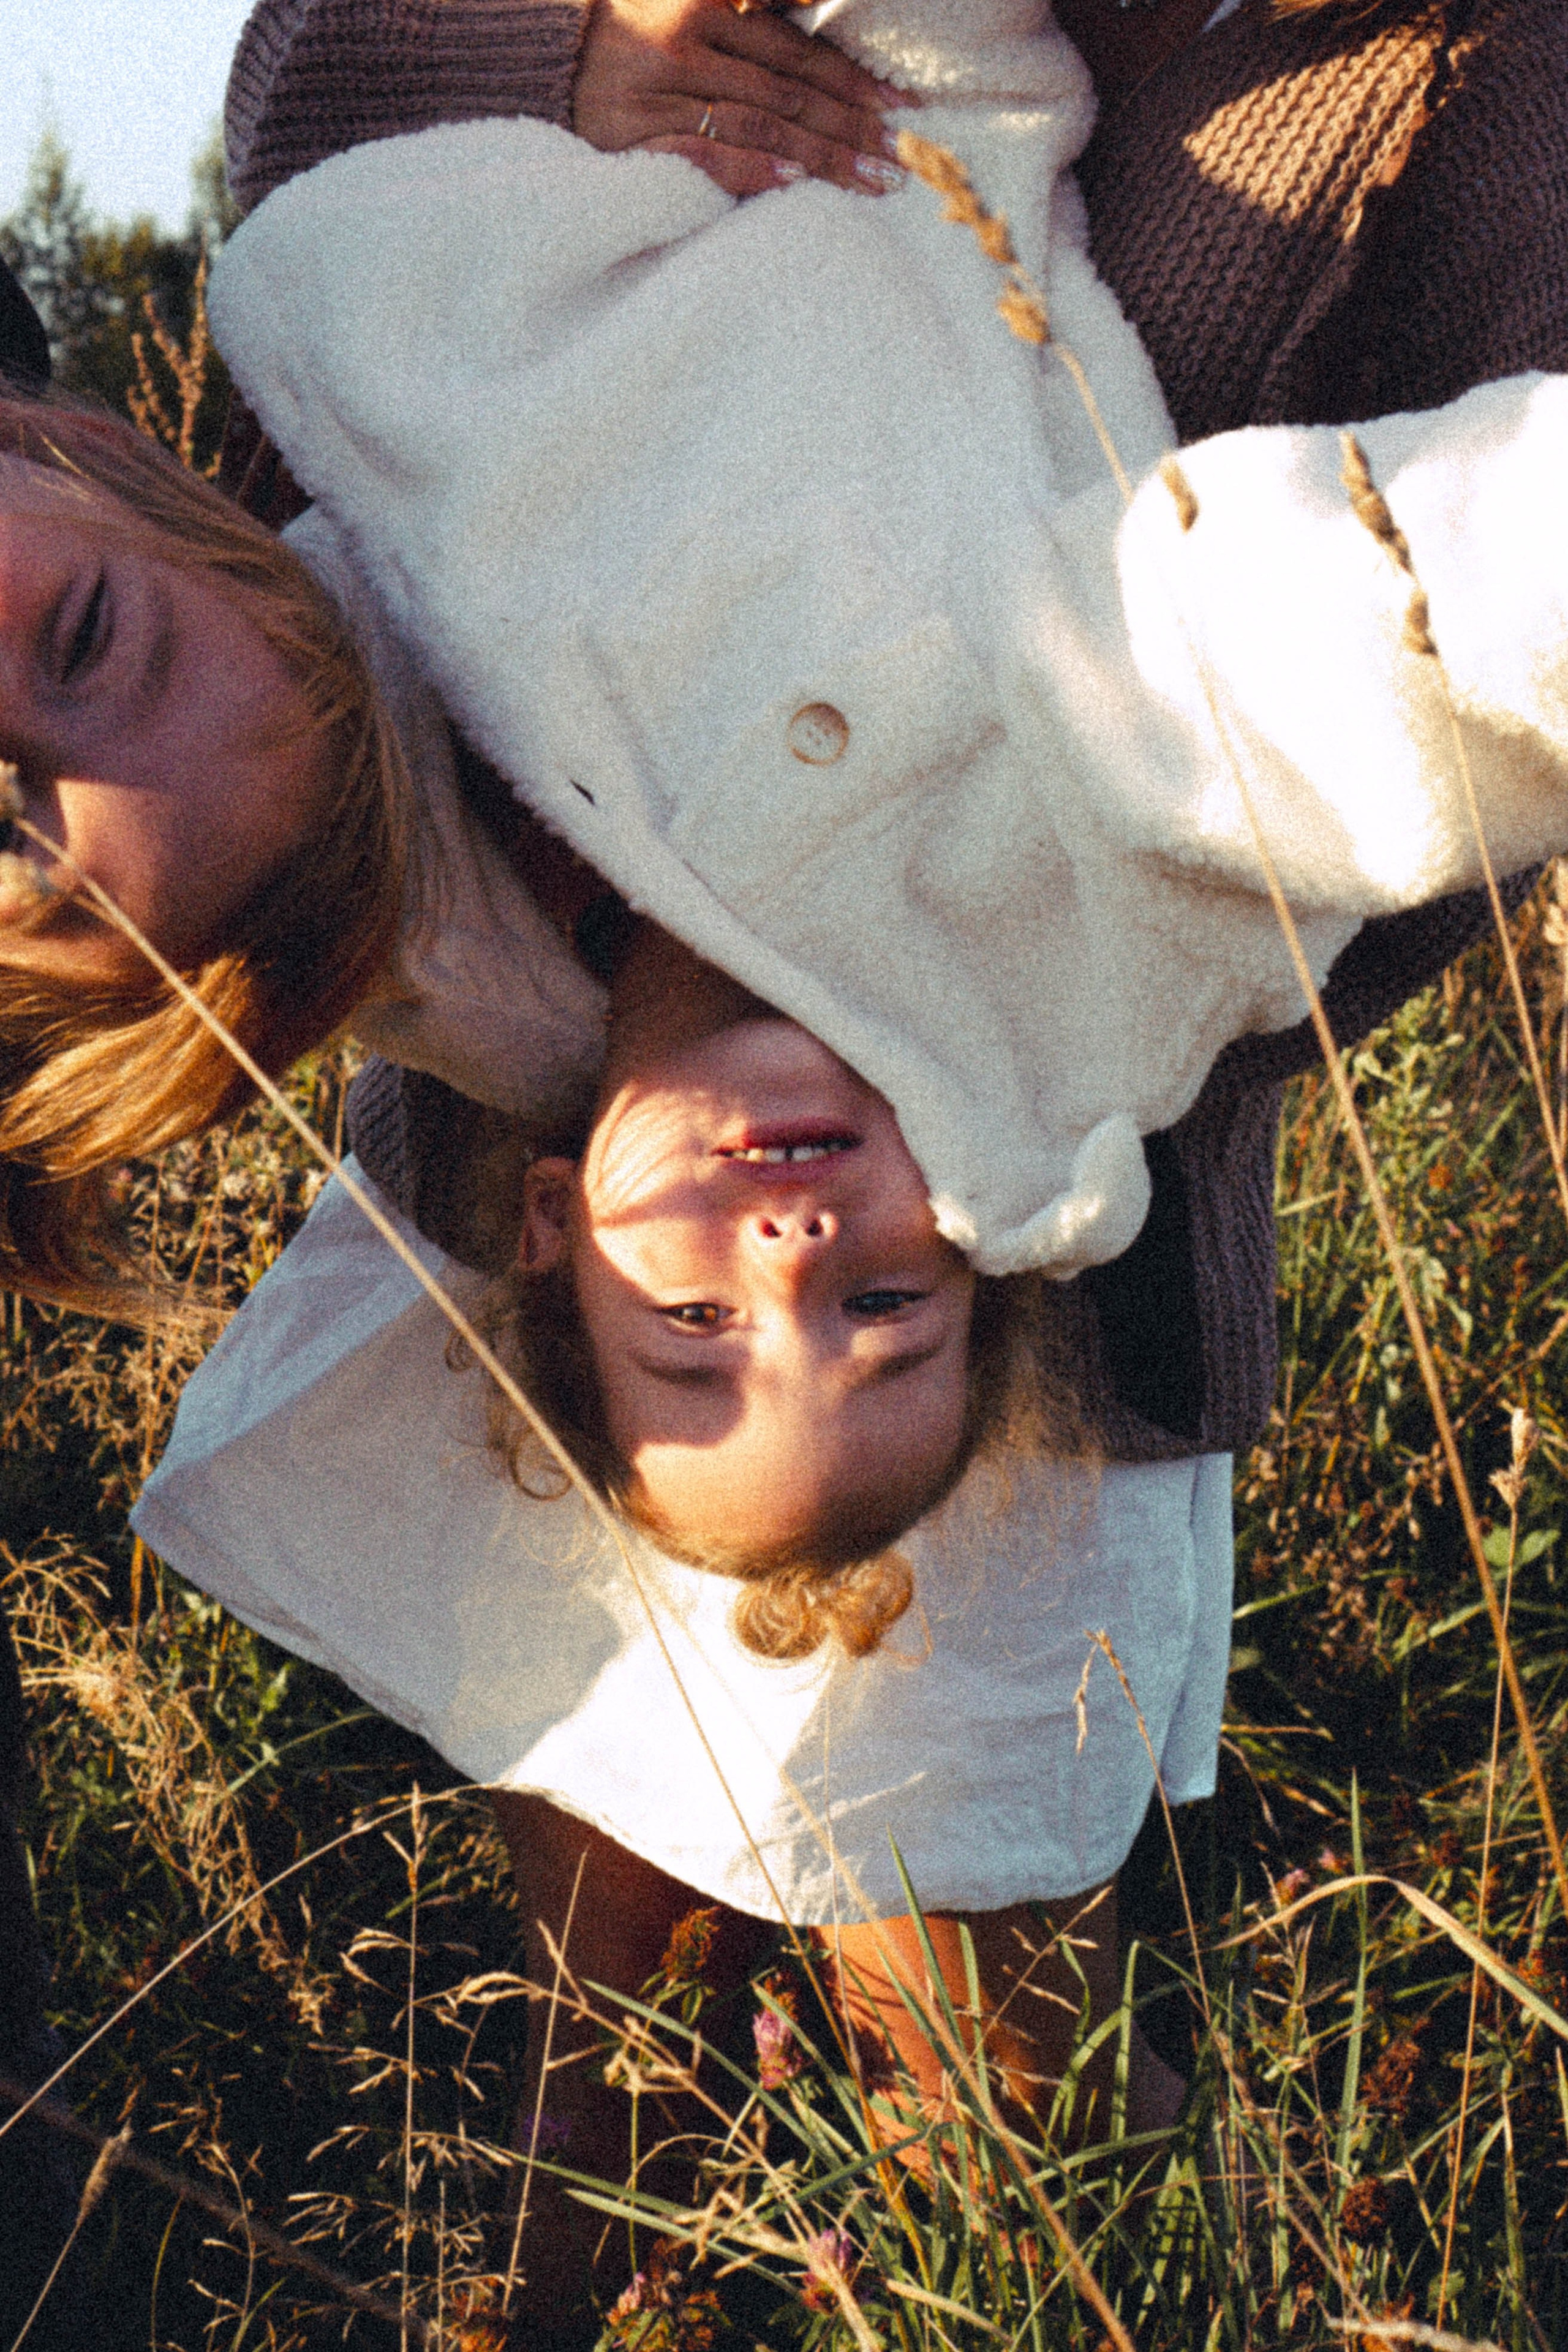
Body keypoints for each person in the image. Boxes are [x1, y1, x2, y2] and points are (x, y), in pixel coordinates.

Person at [127, 0, 1568, 2335]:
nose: (781, 1261)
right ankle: (577, 2200)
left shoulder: (1514, 114)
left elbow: (1424, 724)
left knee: (959, 1938)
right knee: (594, 1734)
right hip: (592, 1119)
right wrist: (556, 46)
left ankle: (947, 2260)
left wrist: (1120, 998)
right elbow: (320, 118)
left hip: (1057, 1136)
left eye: (738, 1310)